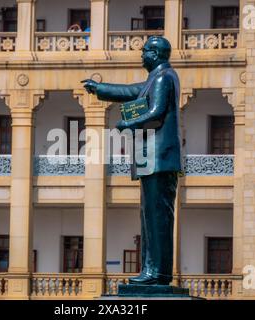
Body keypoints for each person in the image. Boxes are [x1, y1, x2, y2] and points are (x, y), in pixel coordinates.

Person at [82, 36, 182, 285]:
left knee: (157, 216)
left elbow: (156, 113)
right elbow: (129, 91)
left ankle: (157, 272)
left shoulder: (163, 77)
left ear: (156, 54)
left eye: (145, 51)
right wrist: (99, 89)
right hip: (152, 159)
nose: (141, 55)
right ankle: (151, 269)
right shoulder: (155, 78)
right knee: (149, 216)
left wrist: (128, 123)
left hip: (158, 158)